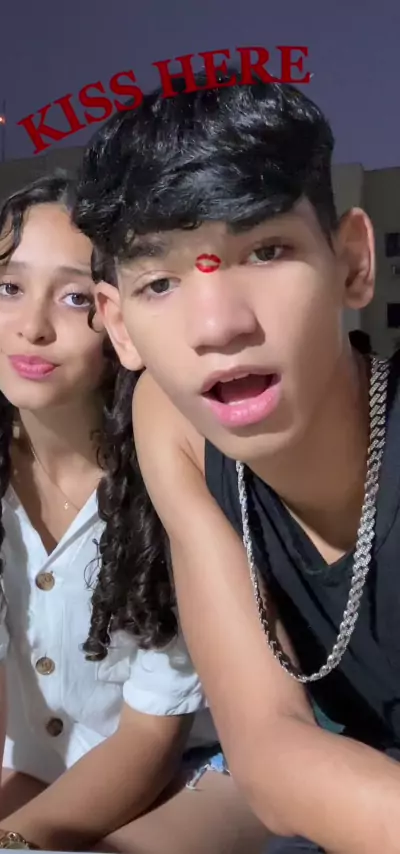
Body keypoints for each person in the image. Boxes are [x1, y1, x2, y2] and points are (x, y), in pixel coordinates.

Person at [73, 72, 400, 854]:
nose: (217, 327)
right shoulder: (172, 421)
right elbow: (268, 749)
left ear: (353, 261)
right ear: (118, 326)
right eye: (160, 282)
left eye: (267, 250)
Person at [0, 172, 268, 853]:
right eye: (8, 288)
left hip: (183, 771)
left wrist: (4, 845)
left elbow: (151, 734)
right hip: (26, 761)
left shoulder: (179, 452)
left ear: (120, 315)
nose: (32, 327)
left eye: (74, 296)